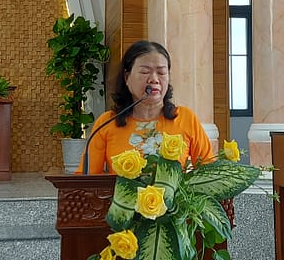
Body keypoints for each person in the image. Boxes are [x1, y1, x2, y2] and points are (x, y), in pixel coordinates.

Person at [78, 40, 214, 175]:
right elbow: (86, 180)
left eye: (161, 73)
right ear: (127, 77)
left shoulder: (185, 118)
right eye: (144, 72)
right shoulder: (106, 123)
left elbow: (210, 174)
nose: (154, 79)